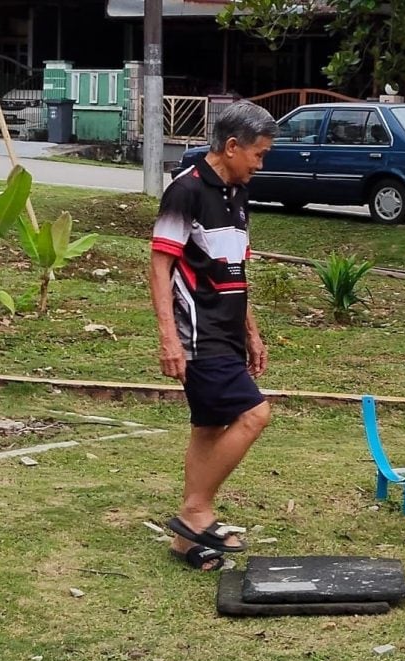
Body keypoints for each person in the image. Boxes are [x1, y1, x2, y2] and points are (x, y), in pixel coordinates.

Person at [149, 101, 279, 571]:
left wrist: (252, 332)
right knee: (254, 414)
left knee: (208, 425)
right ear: (230, 147)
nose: (260, 165)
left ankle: (186, 541)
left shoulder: (234, 193)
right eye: (258, 155)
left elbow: (234, 267)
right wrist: (169, 336)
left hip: (227, 329)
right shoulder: (185, 192)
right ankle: (197, 511)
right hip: (197, 333)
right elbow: (160, 265)